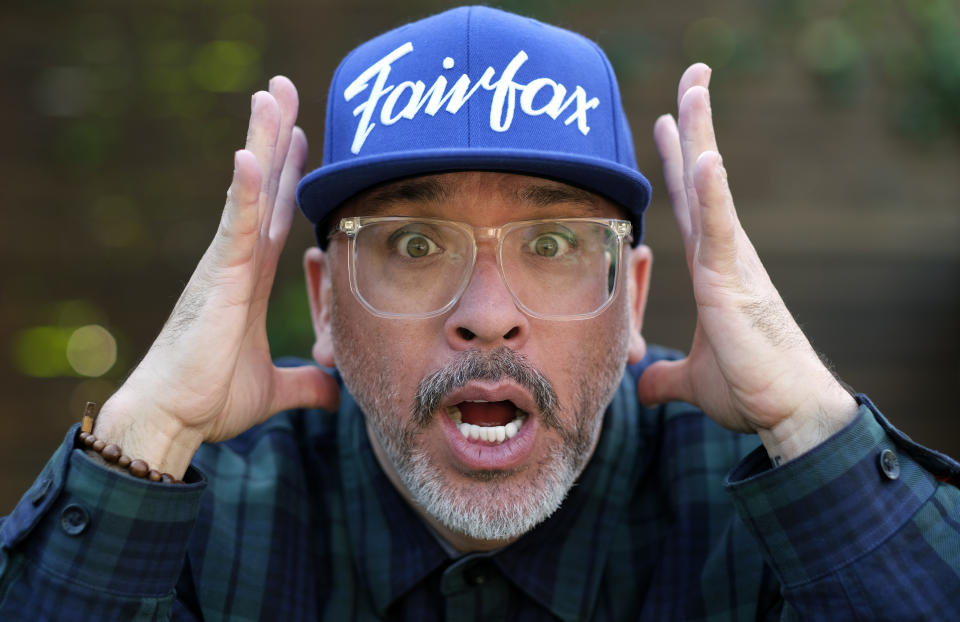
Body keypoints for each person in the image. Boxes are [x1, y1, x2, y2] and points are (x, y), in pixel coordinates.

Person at [2, 5, 958, 620]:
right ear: (325, 304)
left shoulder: (773, 516)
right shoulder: (193, 524)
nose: (489, 317)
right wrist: (149, 431)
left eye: (551, 245)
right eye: (415, 245)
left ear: (632, 302)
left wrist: (815, 431)